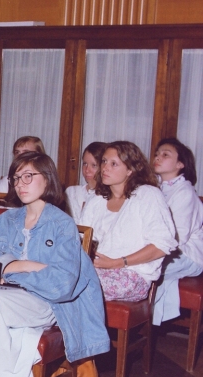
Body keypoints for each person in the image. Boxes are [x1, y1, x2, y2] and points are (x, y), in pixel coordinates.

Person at [0, 153, 109, 377]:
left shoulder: (61, 224)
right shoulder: (5, 221)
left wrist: (13, 268)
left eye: (29, 176)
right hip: (10, 298)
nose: (21, 184)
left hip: (47, 304)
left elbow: (61, 284)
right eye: (16, 178)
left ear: (47, 179)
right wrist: (25, 266)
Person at [79, 141, 177, 302]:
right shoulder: (96, 199)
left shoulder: (148, 195)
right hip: (94, 269)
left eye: (114, 164)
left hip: (132, 275)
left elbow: (161, 246)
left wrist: (116, 263)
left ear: (130, 170)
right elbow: (83, 238)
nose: (105, 168)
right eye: (104, 161)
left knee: (76, 285)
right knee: (50, 276)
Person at [152, 138, 203, 325]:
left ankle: (142, 323)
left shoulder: (185, 192)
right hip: (165, 249)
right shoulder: (155, 188)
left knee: (146, 268)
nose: (157, 158)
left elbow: (177, 238)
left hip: (188, 255)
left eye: (165, 155)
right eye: (157, 154)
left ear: (180, 164)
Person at [66, 141, 106, 220]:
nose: (87, 170)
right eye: (85, 164)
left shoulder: (106, 196)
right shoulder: (72, 192)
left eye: (94, 165)